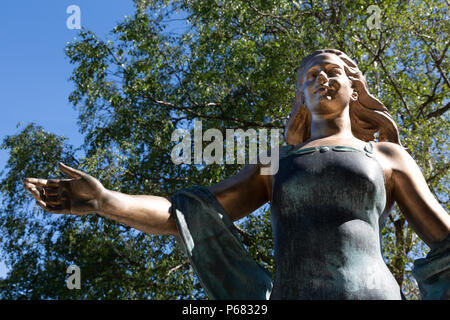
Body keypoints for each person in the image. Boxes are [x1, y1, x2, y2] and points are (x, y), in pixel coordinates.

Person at [24, 49, 449, 300]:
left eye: (331, 72)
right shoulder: (276, 162)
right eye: (310, 77)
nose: (321, 79)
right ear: (301, 96)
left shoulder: (386, 155)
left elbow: (445, 236)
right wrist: (106, 201)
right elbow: (187, 214)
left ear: (354, 88)